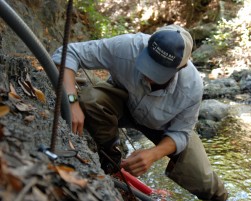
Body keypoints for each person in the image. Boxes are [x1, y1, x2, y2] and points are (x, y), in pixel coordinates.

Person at [52, 24, 228, 200]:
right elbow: (68, 53)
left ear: (180, 68)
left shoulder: (192, 86)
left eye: (158, 71)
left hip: (164, 128)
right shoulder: (127, 46)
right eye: (148, 63)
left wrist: (153, 154)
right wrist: (72, 102)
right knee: (90, 100)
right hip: (122, 104)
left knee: (207, 184)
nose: (148, 74)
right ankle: (110, 165)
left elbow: (181, 132)